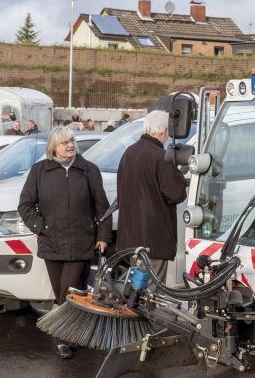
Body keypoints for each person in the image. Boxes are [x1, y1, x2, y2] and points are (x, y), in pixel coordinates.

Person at [18, 126, 111, 358]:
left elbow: (102, 208)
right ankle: (74, 333)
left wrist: (103, 236)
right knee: (65, 293)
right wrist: (41, 227)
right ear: (54, 147)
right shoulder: (40, 170)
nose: (70, 145)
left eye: (72, 140)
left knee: (68, 292)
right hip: (52, 244)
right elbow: (26, 205)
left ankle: (62, 339)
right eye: (64, 142)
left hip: (81, 242)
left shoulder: (89, 170)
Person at [116, 110, 186, 288]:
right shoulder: (161, 157)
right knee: (152, 294)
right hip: (154, 238)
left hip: (131, 238)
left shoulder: (128, 153)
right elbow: (177, 194)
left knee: (136, 291)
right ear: (163, 131)